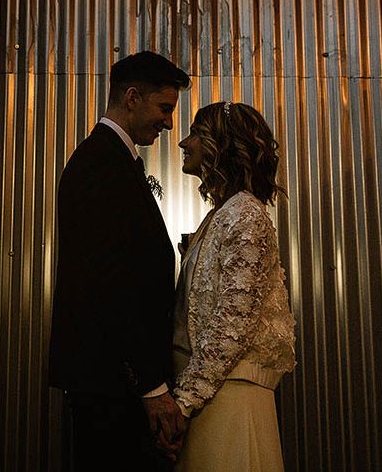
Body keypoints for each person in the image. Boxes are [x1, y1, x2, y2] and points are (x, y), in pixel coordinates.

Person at [49, 51, 191, 470]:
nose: (169, 123)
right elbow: (109, 287)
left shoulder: (113, 161)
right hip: (112, 387)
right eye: (164, 108)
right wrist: (150, 387)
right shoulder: (100, 166)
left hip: (114, 384)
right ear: (132, 98)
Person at [171, 101, 296, 470]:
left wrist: (184, 400)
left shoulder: (245, 214)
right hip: (213, 395)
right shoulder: (222, 214)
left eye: (195, 132)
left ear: (219, 144)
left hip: (227, 399)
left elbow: (233, 321)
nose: (184, 143)